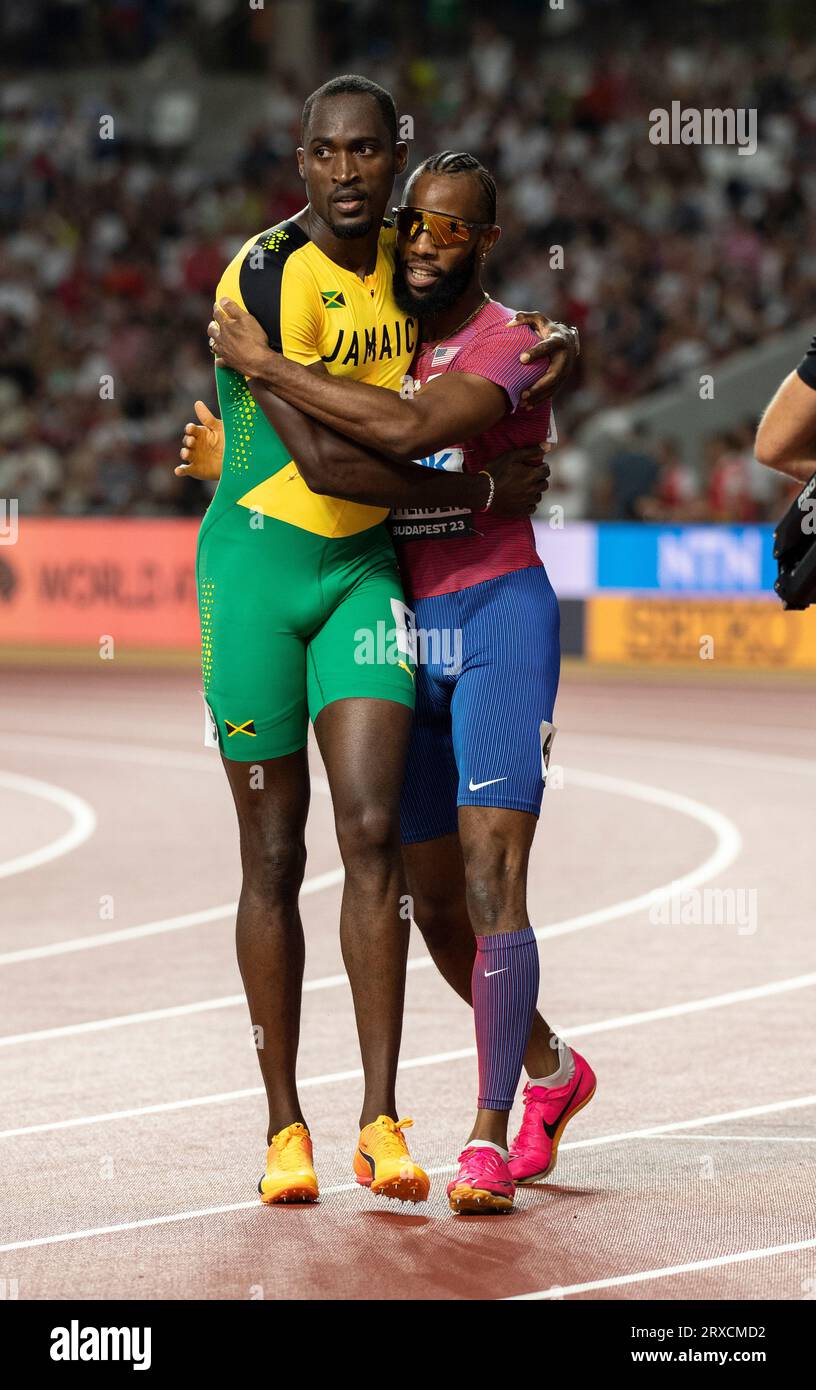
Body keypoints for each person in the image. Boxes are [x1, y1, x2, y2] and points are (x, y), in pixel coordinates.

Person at [193, 149, 593, 1215]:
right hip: (401, 622)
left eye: (450, 229)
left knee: (491, 873)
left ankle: (488, 1134)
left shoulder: (516, 342)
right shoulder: (388, 326)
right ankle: (555, 1072)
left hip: (496, 611)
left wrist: (264, 364)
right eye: (416, 223)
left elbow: (410, 435)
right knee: (435, 912)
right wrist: (231, 448)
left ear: (487, 241)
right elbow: (333, 449)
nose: (422, 242)